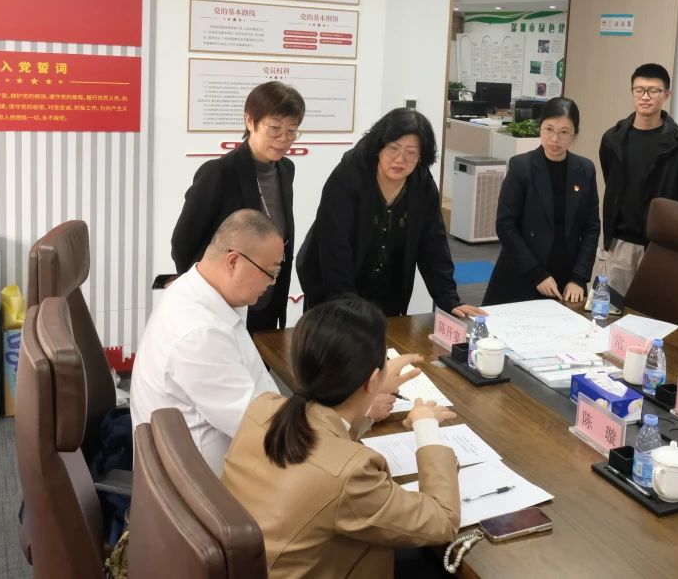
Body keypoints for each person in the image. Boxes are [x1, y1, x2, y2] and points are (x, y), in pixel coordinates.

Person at [133, 209, 413, 475]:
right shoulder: (199, 336)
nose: (272, 282)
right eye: (271, 271)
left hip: (234, 454)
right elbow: (272, 434)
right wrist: (358, 407)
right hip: (217, 490)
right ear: (233, 261)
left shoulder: (197, 291)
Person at [222, 296, 460, 578]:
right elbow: (443, 521)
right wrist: (426, 425)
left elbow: (326, 441)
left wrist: (368, 401)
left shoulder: (262, 408)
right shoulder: (352, 474)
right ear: (373, 379)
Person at [297, 108, 486, 319]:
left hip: (387, 289)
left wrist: (449, 298)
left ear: (421, 156)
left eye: (410, 152)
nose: (400, 159)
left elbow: (433, 245)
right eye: (393, 148)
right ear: (379, 147)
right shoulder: (348, 177)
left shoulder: (422, 186)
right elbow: (334, 247)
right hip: (333, 288)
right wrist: (346, 306)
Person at [170, 81, 304, 331]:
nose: (283, 139)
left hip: (269, 294)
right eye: (274, 129)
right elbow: (182, 243)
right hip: (225, 302)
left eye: (291, 131)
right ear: (250, 121)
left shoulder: (286, 169)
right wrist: (203, 296)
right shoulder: (219, 173)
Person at [595, 62, 678, 304]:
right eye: (639, 90)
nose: (645, 97)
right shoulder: (612, 138)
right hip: (619, 243)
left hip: (660, 246)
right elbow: (611, 179)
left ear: (666, 95)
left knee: (654, 313)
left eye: (653, 90)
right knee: (608, 309)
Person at [483, 97, 600, 306]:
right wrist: (536, 273)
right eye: (549, 129)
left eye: (564, 132)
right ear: (540, 128)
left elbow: (591, 228)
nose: (555, 138)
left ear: (574, 134)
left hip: (566, 278)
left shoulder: (585, 170)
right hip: (523, 272)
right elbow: (505, 225)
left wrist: (579, 277)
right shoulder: (521, 167)